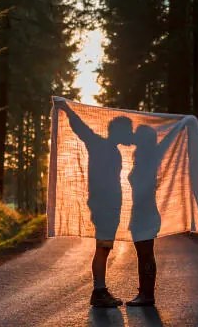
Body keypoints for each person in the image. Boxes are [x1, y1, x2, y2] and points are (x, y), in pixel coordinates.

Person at [58, 100, 133, 308]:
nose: (131, 135)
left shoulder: (107, 146)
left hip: (108, 207)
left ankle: (100, 290)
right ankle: (98, 292)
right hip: (103, 207)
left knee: (104, 248)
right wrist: (66, 109)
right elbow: (81, 129)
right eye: (128, 131)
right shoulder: (99, 144)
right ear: (119, 132)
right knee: (102, 248)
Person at [126, 123, 181, 306]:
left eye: (138, 135)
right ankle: (145, 292)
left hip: (146, 212)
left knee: (146, 254)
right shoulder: (142, 158)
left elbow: (166, 142)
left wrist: (181, 124)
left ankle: (147, 295)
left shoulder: (151, 159)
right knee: (144, 254)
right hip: (140, 212)